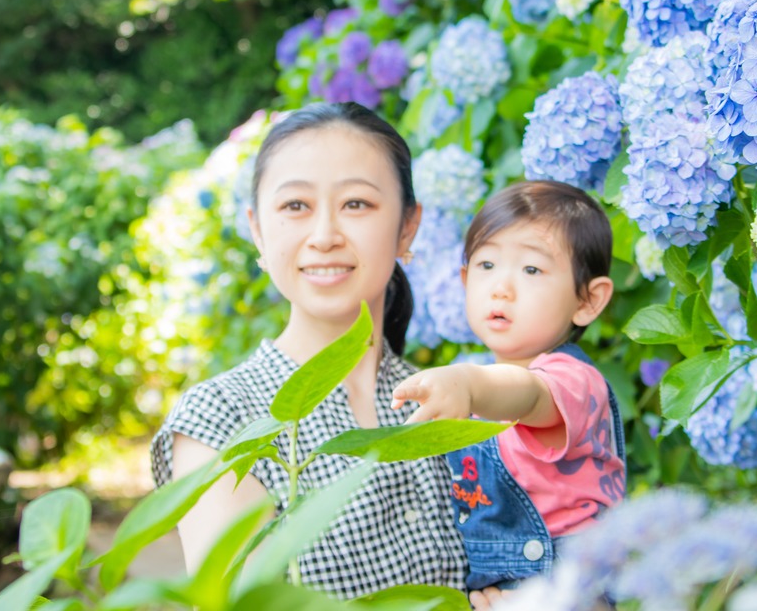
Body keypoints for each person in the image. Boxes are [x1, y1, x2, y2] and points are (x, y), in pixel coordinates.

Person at [150, 102, 467, 597]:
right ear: (258, 228)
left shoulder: (451, 402)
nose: (324, 237)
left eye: (356, 204)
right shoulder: (220, 420)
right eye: (295, 206)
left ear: (408, 227)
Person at [392, 180, 627, 603]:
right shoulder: (481, 393)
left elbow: (529, 396)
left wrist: (466, 382)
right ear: (464, 280)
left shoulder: (572, 381)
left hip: (571, 585)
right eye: (486, 266)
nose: (501, 286)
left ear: (588, 301)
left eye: (531, 270)